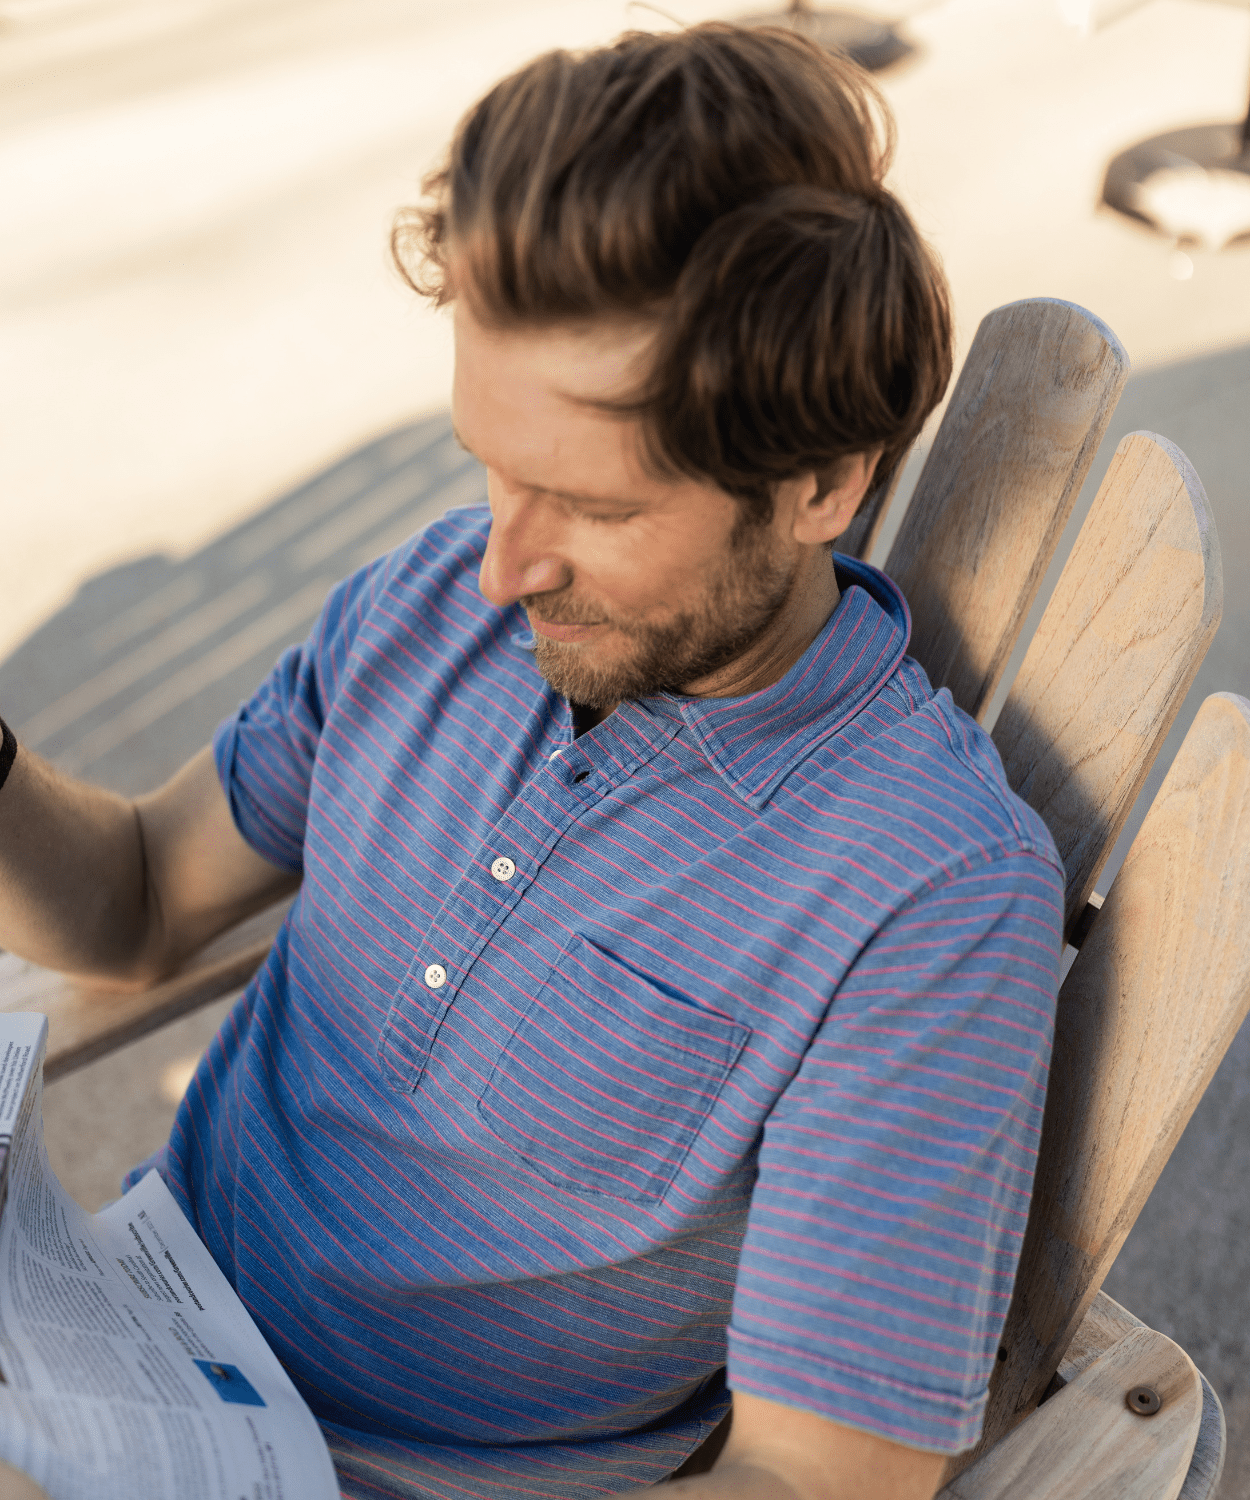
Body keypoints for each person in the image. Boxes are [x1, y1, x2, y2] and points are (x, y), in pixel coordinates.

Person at [0, 23, 1065, 1500]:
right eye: (490, 471)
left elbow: (812, 1481)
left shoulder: (929, 893)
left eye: (590, 507)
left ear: (823, 483)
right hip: (121, 1343)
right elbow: (127, 904)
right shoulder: (427, 605)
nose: (499, 568)